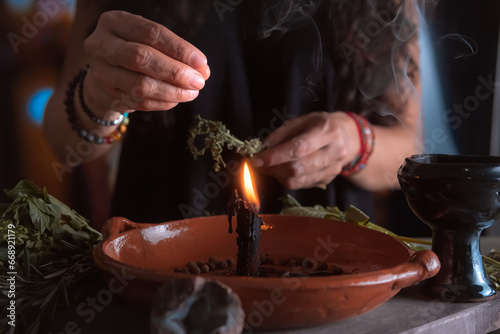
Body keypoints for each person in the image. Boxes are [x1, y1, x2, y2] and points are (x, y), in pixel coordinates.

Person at [43, 0, 422, 225]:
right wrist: (98, 99)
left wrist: (355, 141)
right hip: (160, 256)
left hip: (325, 261)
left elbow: (413, 146)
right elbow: (63, 141)